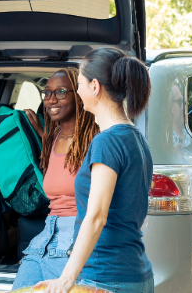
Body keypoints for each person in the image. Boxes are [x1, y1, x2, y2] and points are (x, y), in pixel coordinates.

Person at [38, 48, 154, 293]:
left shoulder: (107, 141)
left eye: (79, 83)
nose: (77, 91)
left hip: (105, 276)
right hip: (135, 273)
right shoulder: (136, 138)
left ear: (94, 87)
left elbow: (96, 217)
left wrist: (67, 278)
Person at [12, 68, 99, 290]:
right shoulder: (54, 137)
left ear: (78, 94)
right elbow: (62, 164)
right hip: (45, 238)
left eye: (61, 92)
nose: (51, 99)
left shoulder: (96, 139)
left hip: (74, 240)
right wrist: (41, 132)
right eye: (47, 92)